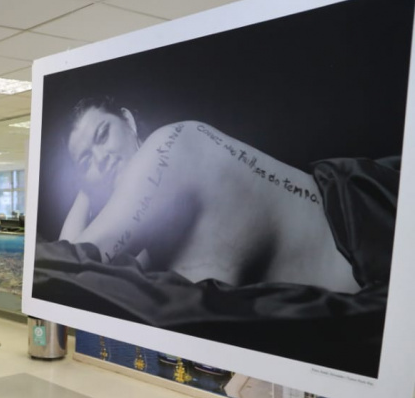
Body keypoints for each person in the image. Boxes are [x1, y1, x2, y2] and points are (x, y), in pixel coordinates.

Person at [58, 96, 359, 292]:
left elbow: (65, 262)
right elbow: (68, 275)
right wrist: (88, 187)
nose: (101, 159)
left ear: (128, 120)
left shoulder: (168, 146)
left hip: (368, 267)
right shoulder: (150, 247)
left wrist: (87, 181)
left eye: (103, 135)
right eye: (86, 161)